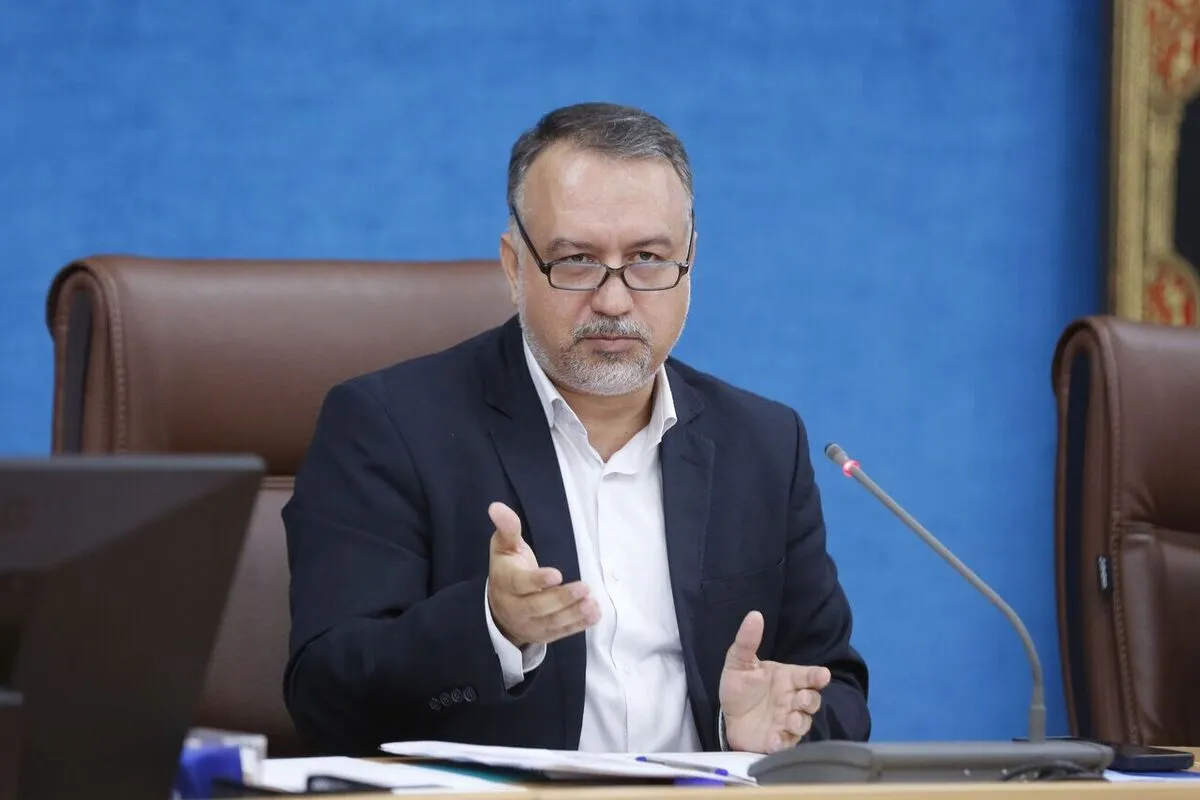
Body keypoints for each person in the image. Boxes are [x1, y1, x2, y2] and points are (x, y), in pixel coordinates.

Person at [282, 102, 870, 756]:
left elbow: (837, 687)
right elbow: (325, 695)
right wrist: (493, 628)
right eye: (577, 260)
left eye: (648, 258)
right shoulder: (388, 427)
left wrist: (768, 732)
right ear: (514, 266)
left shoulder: (762, 443)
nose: (614, 300)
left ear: (689, 262)